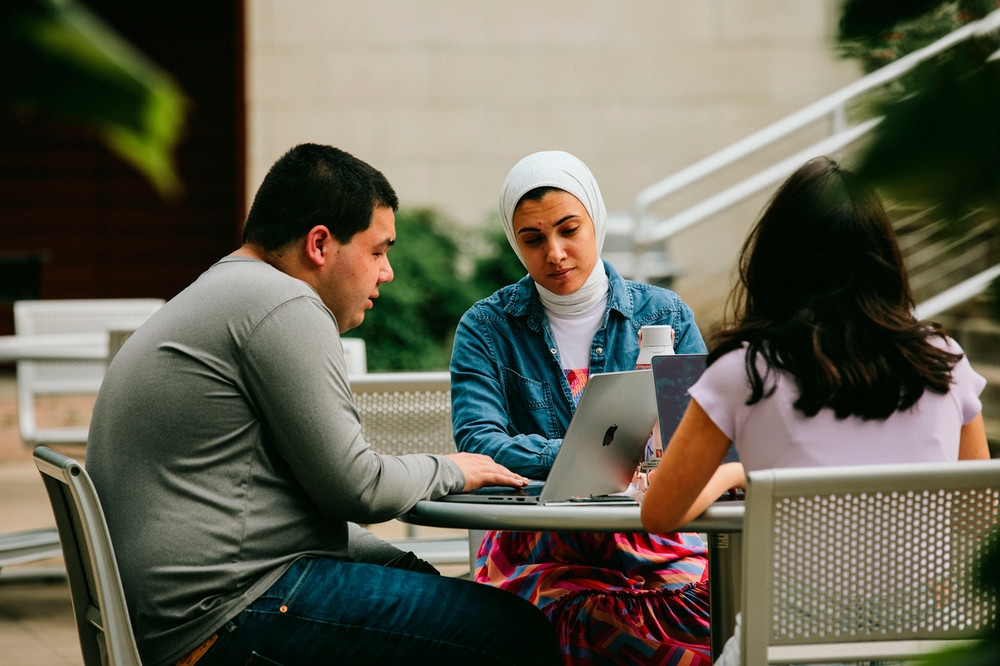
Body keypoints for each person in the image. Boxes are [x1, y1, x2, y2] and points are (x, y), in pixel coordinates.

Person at [86, 143, 560, 666]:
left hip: (189, 606)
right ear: (319, 244)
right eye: (377, 251)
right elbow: (358, 488)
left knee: (427, 586)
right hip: (221, 618)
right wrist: (453, 469)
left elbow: (306, 505)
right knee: (517, 633)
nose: (387, 272)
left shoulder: (227, 290)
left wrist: (403, 565)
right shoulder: (283, 303)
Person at [639, 156, 989, 663]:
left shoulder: (745, 371)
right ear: (883, 259)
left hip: (786, 651)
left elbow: (660, 513)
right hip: (918, 648)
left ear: (775, 258)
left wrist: (737, 473)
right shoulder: (944, 361)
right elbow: (978, 519)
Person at [450, 150, 713, 665]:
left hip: (657, 537)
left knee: (712, 618)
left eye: (569, 229)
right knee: (588, 622)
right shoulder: (487, 328)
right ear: (515, 243)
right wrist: (590, 458)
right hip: (540, 547)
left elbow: (700, 435)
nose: (555, 253)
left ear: (597, 220)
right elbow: (478, 441)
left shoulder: (666, 314)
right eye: (532, 240)